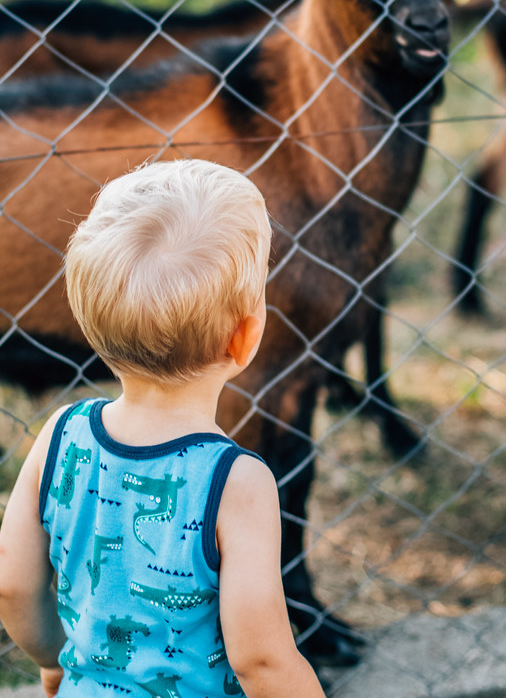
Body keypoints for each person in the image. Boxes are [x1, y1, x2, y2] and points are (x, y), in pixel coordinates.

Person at [0, 159, 326, 698]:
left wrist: (54, 661)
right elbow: (263, 661)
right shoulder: (236, 483)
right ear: (244, 339)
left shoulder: (61, 435)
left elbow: (12, 581)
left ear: (87, 322)